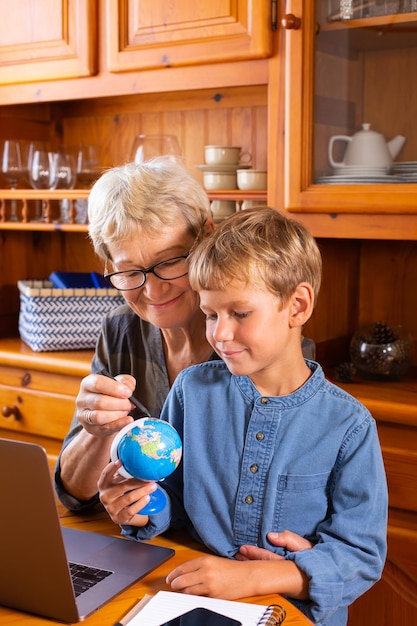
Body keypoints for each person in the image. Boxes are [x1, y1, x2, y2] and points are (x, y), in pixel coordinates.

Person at [98, 207, 388, 625]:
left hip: (294, 614)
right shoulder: (192, 391)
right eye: (211, 314)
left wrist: (259, 575)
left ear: (297, 306)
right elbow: (175, 499)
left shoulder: (349, 425)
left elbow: (361, 556)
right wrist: (140, 506)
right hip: (196, 603)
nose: (219, 333)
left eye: (240, 313)